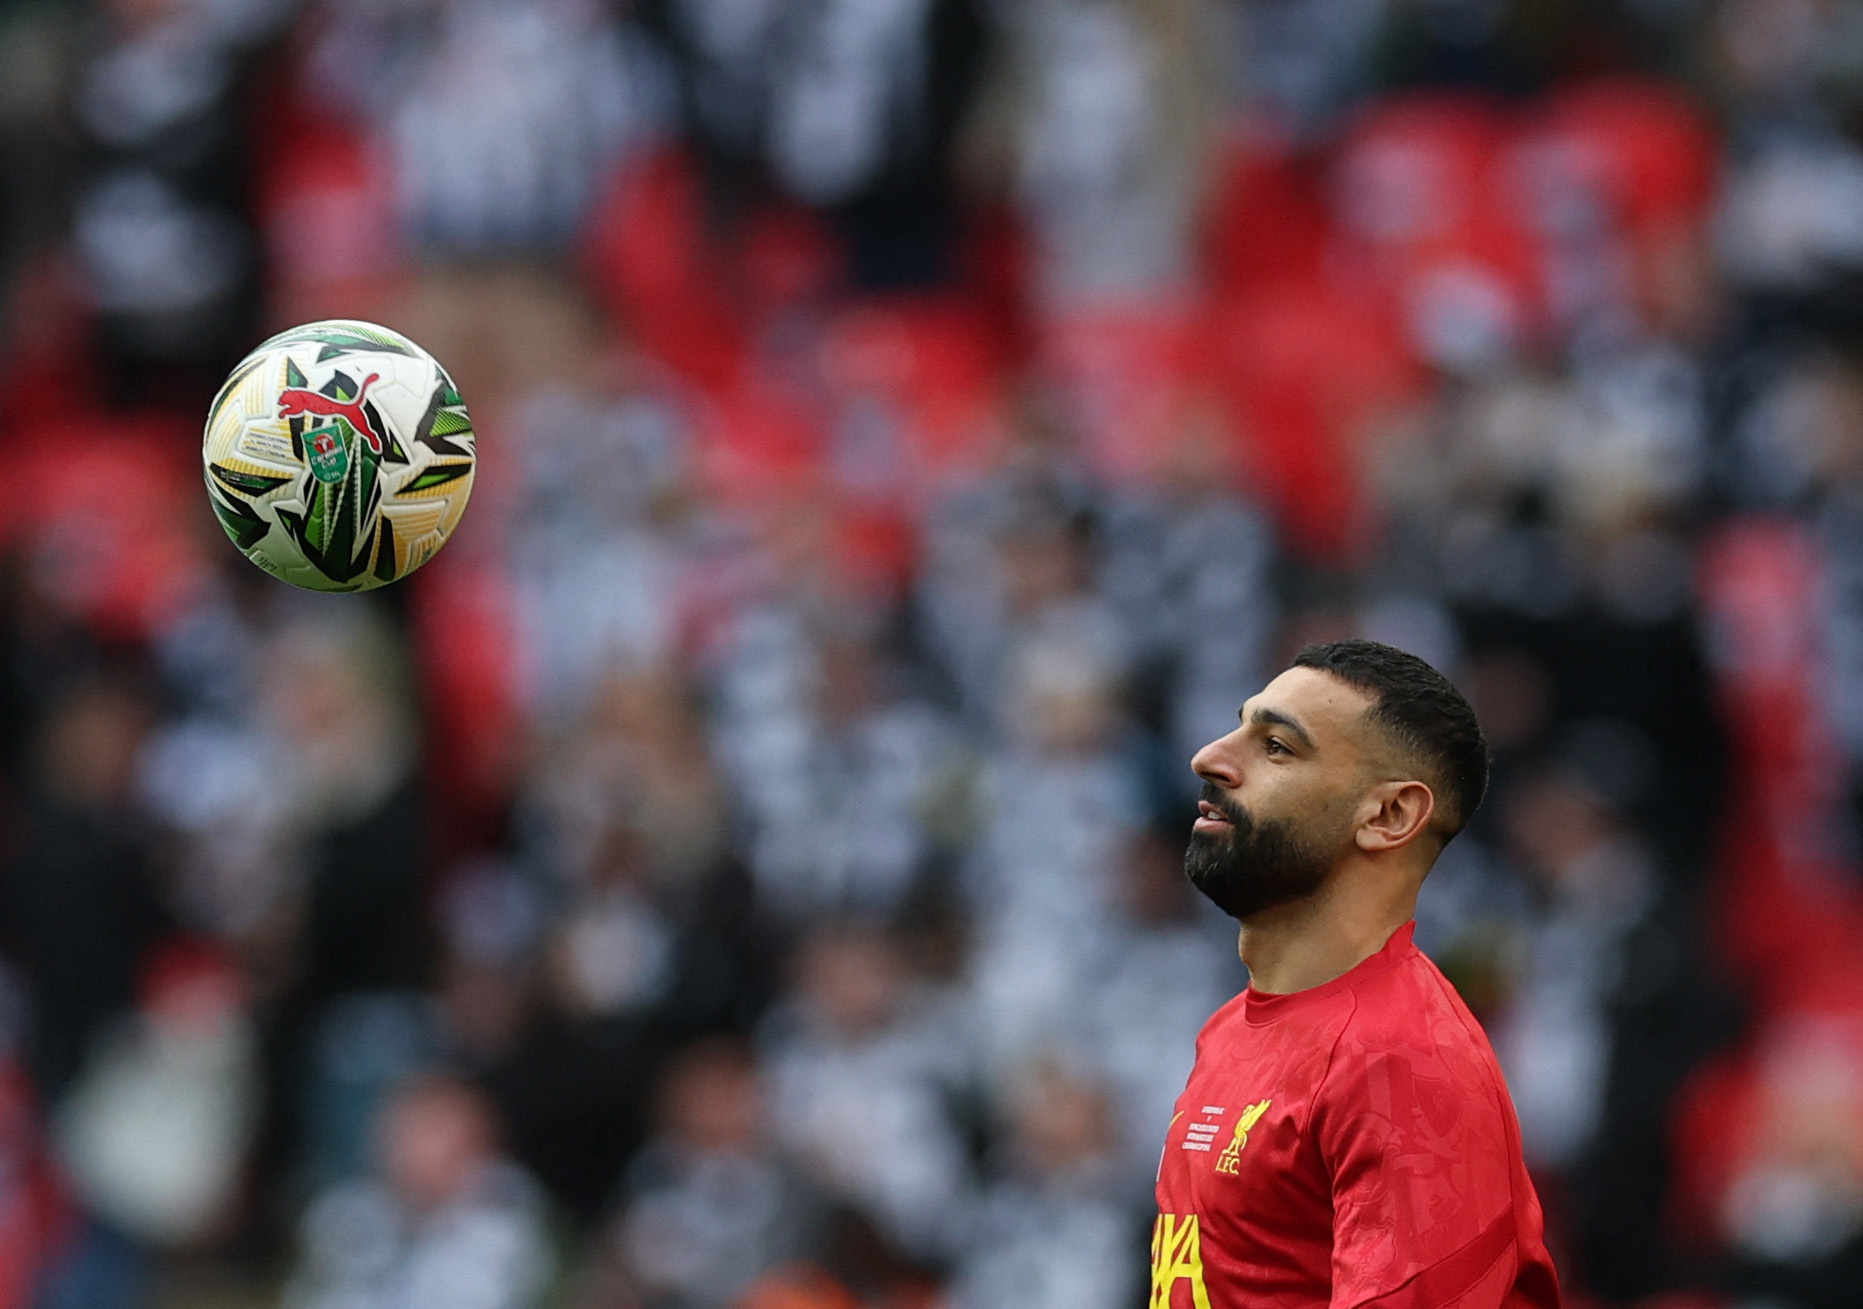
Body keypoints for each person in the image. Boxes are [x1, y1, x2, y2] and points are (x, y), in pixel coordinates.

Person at [1154, 638, 1561, 1308]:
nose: (1209, 757)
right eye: (1238, 726)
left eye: (1276, 746)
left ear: (1388, 815)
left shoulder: (1401, 1061)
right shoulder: (1229, 1030)